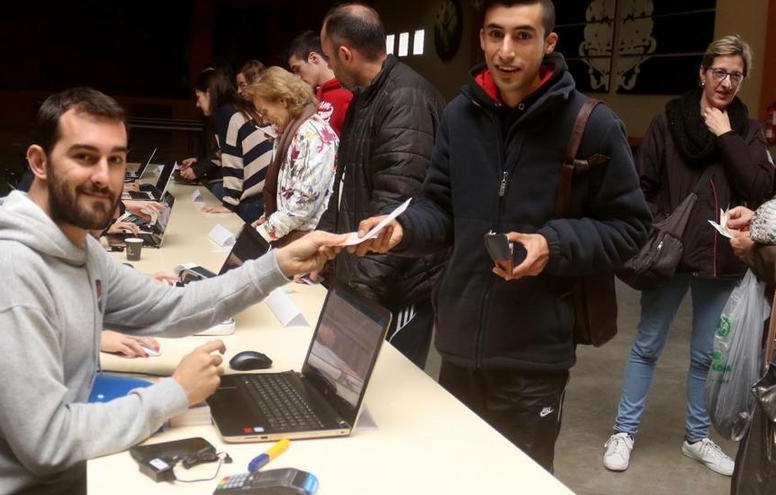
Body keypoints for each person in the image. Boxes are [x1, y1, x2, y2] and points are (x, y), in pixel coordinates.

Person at [0, 87, 345, 493]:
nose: (104, 177)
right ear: (39, 162)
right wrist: (174, 394)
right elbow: (46, 444)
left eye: (116, 160)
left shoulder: (75, 247)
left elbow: (171, 308)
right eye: (84, 157)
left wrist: (276, 266)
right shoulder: (3, 271)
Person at [352, 0, 650, 471]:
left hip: (534, 357)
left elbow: (631, 227)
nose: (505, 50)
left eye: (522, 35)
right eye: (495, 34)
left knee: (518, 479)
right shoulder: (459, 116)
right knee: (458, 476)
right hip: (458, 343)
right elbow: (441, 209)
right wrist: (402, 229)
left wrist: (552, 244)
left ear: (549, 42)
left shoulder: (592, 125)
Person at [602, 34, 774, 476]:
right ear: (702, 72)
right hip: (671, 254)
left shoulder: (747, 131)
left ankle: (697, 438)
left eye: (736, 75)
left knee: (704, 355)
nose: (727, 82)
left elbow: (759, 189)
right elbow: (644, 187)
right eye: (719, 71)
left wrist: (727, 135)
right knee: (647, 345)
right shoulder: (669, 123)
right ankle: (624, 431)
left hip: (722, 256)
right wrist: (662, 229)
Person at [318, 3, 448, 368]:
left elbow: (395, 208)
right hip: (365, 277)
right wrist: (323, 250)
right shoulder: (368, 95)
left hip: (398, 285)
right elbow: (345, 185)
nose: (330, 68)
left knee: (390, 396)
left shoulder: (404, 100)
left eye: (330, 58)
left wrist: (356, 300)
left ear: (346, 54)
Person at [245, 67, 339, 246]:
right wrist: (266, 220)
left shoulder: (314, 135)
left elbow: (301, 206)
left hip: (309, 246)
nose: (264, 120)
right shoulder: (290, 131)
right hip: (292, 240)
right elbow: (285, 193)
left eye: (264, 112)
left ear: (283, 101)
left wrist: (259, 235)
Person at [178, 67, 274, 222]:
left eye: (198, 97)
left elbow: (233, 160)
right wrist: (199, 162)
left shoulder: (225, 115)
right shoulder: (238, 107)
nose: (197, 104)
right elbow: (227, 151)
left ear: (209, 93)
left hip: (254, 197)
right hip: (266, 191)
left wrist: (228, 204)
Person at [287, 30, 354, 136]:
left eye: (297, 69)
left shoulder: (348, 94)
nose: (297, 77)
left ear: (313, 58)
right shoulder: (311, 98)